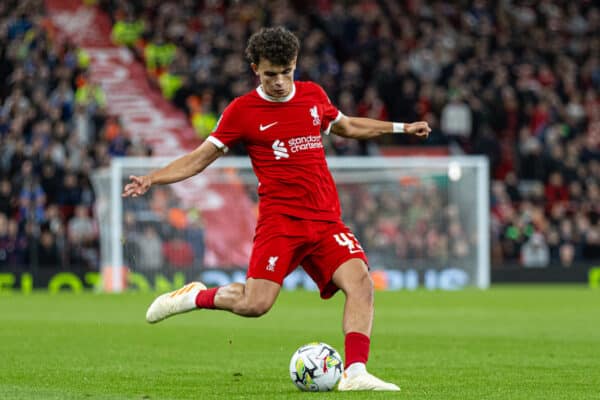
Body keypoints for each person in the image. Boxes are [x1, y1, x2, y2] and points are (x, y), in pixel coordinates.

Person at [122, 27, 430, 391]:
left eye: (286, 72)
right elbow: (200, 159)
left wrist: (401, 127)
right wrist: (153, 179)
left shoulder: (313, 95)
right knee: (255, 305)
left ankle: (355, 372)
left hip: (325, 219)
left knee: (361, 281)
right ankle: (195, 296)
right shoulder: (242, 111)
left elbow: (347, 126)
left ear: (295, 64)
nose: (281, 81)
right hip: (281, 223)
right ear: (256, 69)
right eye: (271, 74)